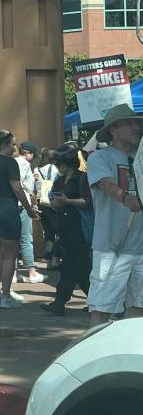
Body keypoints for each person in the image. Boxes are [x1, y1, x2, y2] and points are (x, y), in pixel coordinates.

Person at [85, 103, 143, 326]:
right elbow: (106, 184)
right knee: (102, 309)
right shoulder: (100, 158)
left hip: (140, 248)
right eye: (129, 123)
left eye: (137, 123)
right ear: (113, 130)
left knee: (138, 308)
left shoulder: (140, 158)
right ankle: (96, 356)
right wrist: (127, 198)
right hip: (111, 248)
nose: (136, 127)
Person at [0, 131, 40, 309]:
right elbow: (16, 187)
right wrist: (29, 209)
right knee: (9, 255)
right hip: (7, 209)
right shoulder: (10, 163)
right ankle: (6, 295)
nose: (15, 148)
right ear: (4, 146)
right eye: (12, 145)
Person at [42, 146, 91, 316]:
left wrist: (67, 201)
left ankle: (60, 301)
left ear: (68, 163)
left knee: (74, 265)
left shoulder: (81, 178)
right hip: (63, 226)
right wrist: (56, 202)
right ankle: (95, 300)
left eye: (59, 164)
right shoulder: (59, 179)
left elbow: (87, 202)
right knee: (79, 267)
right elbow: (54, 199)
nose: (57, 167)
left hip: (78, 227)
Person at [16, 141, 46, 283]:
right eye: (33, 155)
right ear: (27, 153)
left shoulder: (13, 162)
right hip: (23, 205)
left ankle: (14, 273)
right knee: (26, 239)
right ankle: (32, 272)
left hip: (13, 205)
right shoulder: (25, 165)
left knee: (13, 240)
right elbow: (21, 185)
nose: (33, 159)